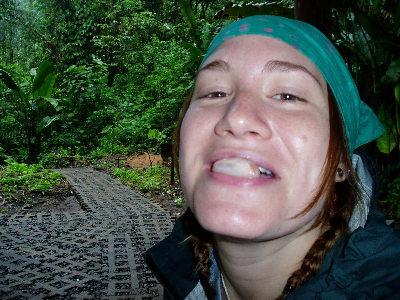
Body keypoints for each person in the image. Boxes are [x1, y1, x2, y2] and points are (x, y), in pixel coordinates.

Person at [145, 15, 400, 299]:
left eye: (287, 96)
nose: (237, 117)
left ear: (342, 159)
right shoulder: (184, 278)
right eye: (215, 92)